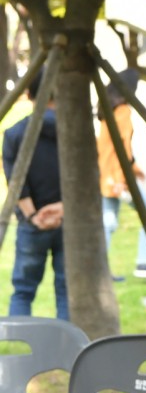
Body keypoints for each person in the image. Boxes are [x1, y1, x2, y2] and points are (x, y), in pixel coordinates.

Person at [4, 84, 68, 320]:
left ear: (29, 93)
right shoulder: (73, 132)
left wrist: (33, 216)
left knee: (22, 292)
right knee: (67, 292)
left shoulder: (14, 133)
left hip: (32, 222)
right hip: (67, 219)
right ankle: (67, 341)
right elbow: (85, 176)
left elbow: (15, 180)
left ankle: (19, 339)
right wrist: (62, 209)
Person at [97, 71, 146, 280]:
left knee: (108, 223)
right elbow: (122, 148)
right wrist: (122, 179)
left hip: (106, 175)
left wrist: (134, 168)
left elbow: (111, 150)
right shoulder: (123, 112)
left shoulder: (107, 111)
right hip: (117, 177)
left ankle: (101, 271)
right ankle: (143, 263)